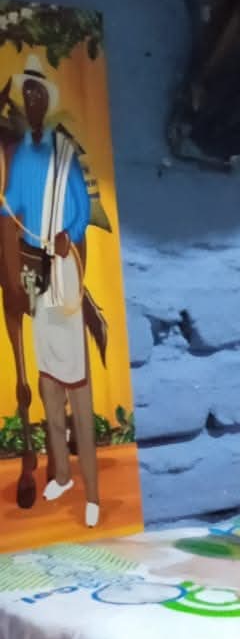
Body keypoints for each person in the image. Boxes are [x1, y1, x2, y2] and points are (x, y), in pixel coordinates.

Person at [0, 55, 100, 527]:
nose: (33, 99)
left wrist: (68, 233)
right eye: (28, 94)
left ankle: (92, 491)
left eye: (39, 93)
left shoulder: (64, 153)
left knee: (75, 379)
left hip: (61, 265)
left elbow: (80, 205)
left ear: (47, 99)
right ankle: (60, 473)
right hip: (34, 268)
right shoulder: (22, 157)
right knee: (47, 379)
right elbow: (15, 202)